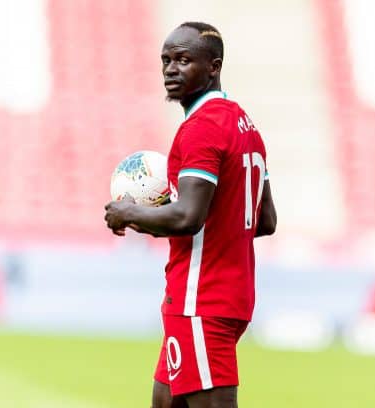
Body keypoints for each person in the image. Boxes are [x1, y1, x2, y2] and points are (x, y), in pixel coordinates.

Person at [104, 21, 277, 408]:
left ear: (213, 67)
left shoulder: (202, 128)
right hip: (228, 294)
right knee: (166, 402)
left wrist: (128, 213)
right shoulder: (244, 125)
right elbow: (265, 220)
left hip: (202, 299)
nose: (170, 69)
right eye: (166, 60)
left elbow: (188, 218)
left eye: (184, 60)